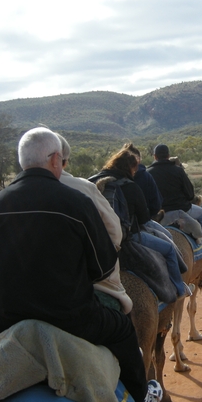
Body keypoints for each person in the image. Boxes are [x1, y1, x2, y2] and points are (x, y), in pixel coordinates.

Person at [0, 127, 160, 402]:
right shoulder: (77, 202)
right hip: (72, 318)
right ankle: (140, 400)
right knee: (122, 329)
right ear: (56, 159)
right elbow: (102, 268)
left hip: (2, 319)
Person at [93, 147, 192, 300]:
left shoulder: (92, 182)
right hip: (128, 237)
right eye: (135, 168)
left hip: (95, 239)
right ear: (131, 167)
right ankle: (179, 289)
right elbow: (144, 218)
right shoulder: (130, 186)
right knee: (169, 249)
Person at [56, 134, 133, 315]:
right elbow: (115, 232)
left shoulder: (2, 200)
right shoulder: (84, 188)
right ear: (62, 160)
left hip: (18, 293)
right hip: (87, 284)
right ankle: (177, 287)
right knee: (168, 250)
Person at [147, 143, 202, 256]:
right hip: (182, 210)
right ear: (168, 156)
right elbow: (190, 194)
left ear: (155, 156)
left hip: (158, 215)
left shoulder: (148, 173)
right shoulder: (178, 170)